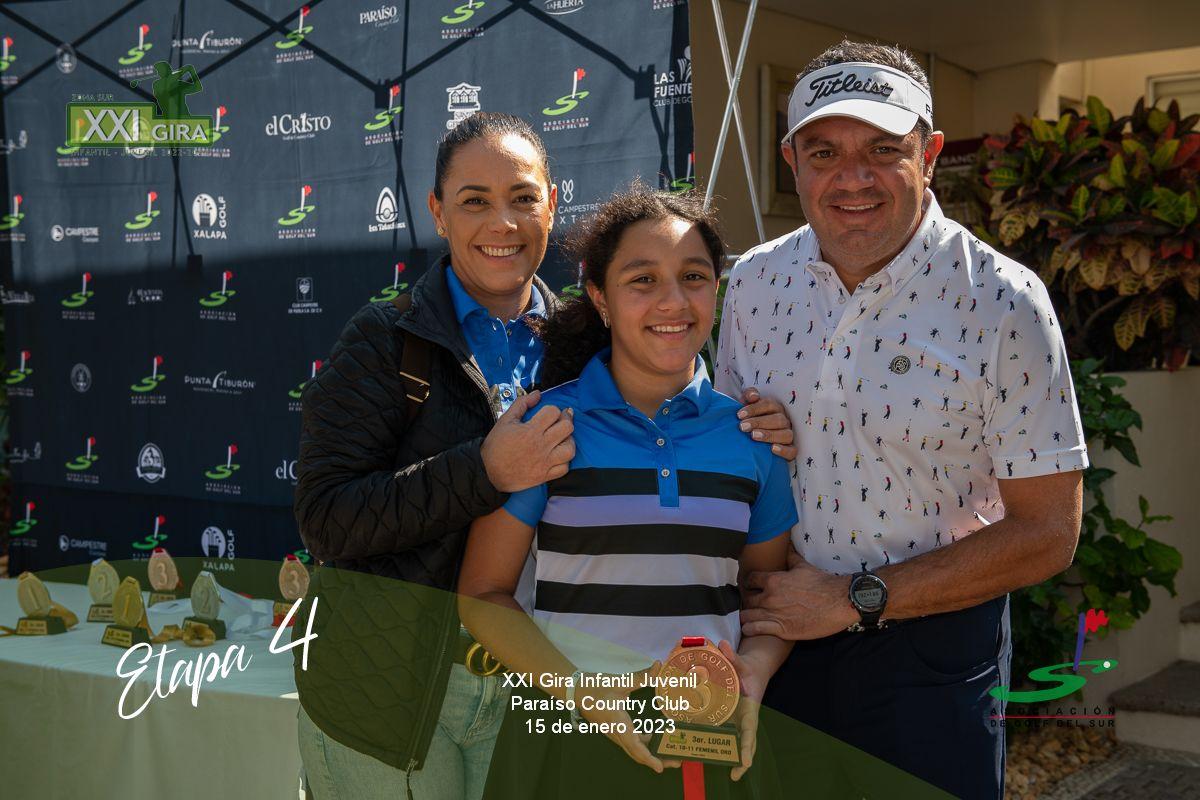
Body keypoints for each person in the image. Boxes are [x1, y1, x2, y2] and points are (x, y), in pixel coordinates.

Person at [293, 113, 796, 800]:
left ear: (552, 205)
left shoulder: (578, 343)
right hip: (395, 693)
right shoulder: (386, 341)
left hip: (525, 698)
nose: (502, 222)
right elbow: (326, 519)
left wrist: (757, 426)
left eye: (523, 198)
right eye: (475, 200)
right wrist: (485, 470)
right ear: (438, 212)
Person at [716, 41, 1089, 800]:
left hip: (935, 655)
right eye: (825, 152)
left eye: (883, 150)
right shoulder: (754, 281)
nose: (852, 178)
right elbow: (730, 455)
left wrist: (851, 599)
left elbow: (1049, 532)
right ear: (792, 163)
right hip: (777, 638)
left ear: (930, 154)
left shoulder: (1005, 302)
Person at [458, 186, 798, 800]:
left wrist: (755, 671)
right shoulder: (547, 428)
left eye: (693, 277)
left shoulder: (753, 438)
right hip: (567, 743)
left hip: (712, 747)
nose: (673, 301)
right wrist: (585, 695)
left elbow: (767, 602)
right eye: (643, 280)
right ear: (600, 298)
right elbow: (482, 597)